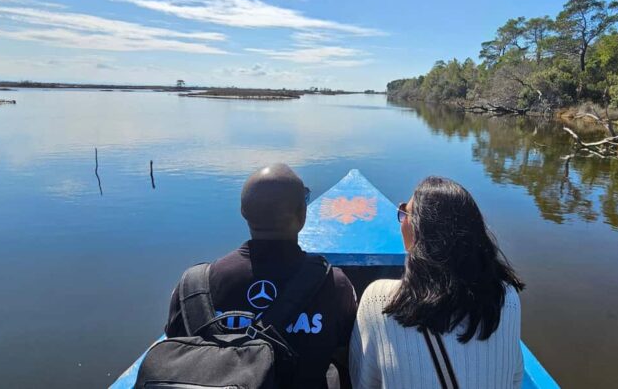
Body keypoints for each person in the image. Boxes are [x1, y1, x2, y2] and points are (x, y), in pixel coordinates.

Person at [164, 163, 358, 388]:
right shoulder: (335, 286)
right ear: (302, 215)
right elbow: (350, 358)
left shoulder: (192, 288)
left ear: (243, 213)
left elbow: (176, 351)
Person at [349, 176, 525, 388]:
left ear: (417, 231)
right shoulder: (507, 297)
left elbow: (362, 382)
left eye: (405, 212)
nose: (402, 217)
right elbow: (515, 379)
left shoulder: (379, 300)